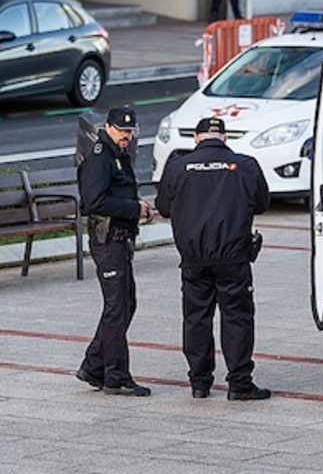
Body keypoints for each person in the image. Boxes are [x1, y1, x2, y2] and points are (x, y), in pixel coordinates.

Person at [155, 116, 271, 401]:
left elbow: (164, 208)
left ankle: (199, 382)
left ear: (196, 139)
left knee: (196, 319)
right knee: (237, 317)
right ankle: (240, 383)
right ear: (225, 138)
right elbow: (263, 204)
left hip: (193, 257)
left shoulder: (177, 167)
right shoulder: (245, 165)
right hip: (233, 256)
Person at [75, 106, 155, 397]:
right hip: (107, 240)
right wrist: (134, 209)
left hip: (120, 238)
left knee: (125, 304)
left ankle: (94, 365)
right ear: (108, 127)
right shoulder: (99, 158)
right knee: (117, 307)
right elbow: (94, 201)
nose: (126, 136)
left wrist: (138, 206)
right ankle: (116, 376)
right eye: (122, 131)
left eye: (130, 132)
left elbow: (118, 192)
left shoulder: (117, 155)